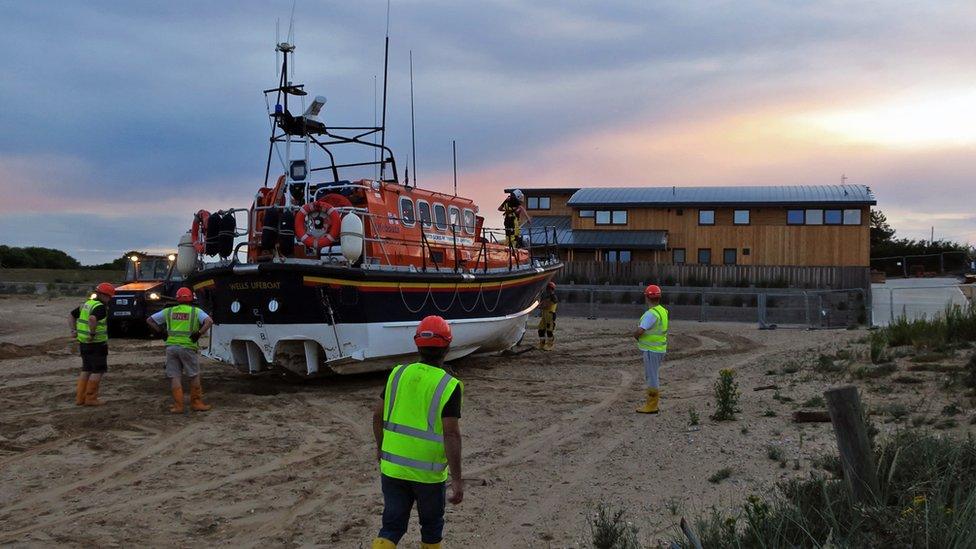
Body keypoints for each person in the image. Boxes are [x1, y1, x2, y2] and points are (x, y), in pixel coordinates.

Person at [372, 315, 464, 549]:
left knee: (391, 526)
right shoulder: (448, 385)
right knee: (431, 528)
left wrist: (380, 447)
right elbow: (451, 434)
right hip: (428, 475)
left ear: (417, 344)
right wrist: (457, 479)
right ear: (447, 346)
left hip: (393, 468)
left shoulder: (397, 374)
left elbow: (377, 415)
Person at [146, 287, 214, 413]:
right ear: (191, 298)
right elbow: (209, 321)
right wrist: (199, 333)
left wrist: (161, 332)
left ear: (177, 298)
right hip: (188, 347)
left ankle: (178, 406)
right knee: (194, 375)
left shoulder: (169, 311)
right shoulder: (196, 311)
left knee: (175, 376)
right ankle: (196, 403)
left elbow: (150, 320)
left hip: (171, 347)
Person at [70, 282, 115, 406]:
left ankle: (80, 398)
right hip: (97, 343)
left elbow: (71, 315)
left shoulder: (86, 304)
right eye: (109, 296)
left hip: (83, 342)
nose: (110, 299)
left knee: (86, 369)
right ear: (105, 295)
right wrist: (92, 333)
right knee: (98, 371)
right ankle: (91, 398)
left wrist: (73, 331)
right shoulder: (100, 307)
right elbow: (92, 319)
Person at [632, 284, 668, 414]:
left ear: (647, 297)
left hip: (651, 350)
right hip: (659, 349)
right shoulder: (662, 311)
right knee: (653, 375)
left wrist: (635, 336)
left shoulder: (650, 314)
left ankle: (652, 405)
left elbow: (640, 331)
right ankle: (652, 404)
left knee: (652, 377)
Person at [538, 281, 558, 351]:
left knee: (549, 331)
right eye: (548, 288)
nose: (548, 290)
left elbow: (548, 304)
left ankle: (550, 344)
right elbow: (543, 303)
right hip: (544, 315)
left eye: (550, 288)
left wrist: (541, 306)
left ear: (552, 289)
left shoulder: (553, 297)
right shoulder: (546, 296)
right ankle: (542, 343)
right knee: (541, 330)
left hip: (550, 315)